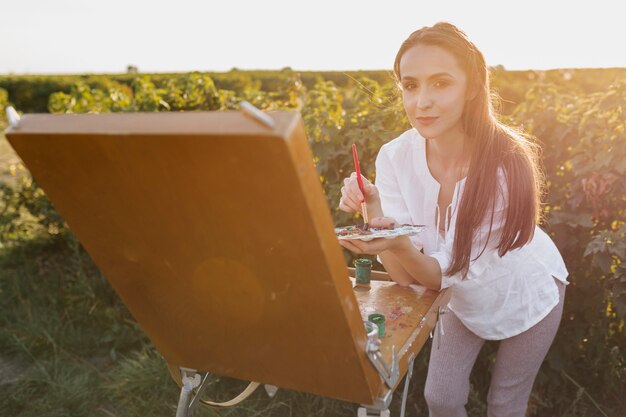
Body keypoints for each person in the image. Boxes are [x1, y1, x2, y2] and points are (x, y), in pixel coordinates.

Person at [338, 22, 569, 417]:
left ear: (473, 87)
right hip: (458, 296)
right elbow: (407, 275)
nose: (421, 102)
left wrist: (395, 241)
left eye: (440, 83)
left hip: (524, 290)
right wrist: (373, 211)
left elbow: (442, 270)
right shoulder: (395, 157)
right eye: (410, 85)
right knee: (441, 400)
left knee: (504, 404)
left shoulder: (504, 166)